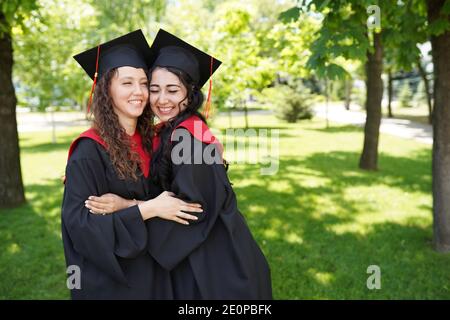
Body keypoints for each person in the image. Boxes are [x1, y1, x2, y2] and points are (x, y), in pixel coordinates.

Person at [87, 29, 272, 299]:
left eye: (173, 90)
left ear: (190, 93)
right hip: (197, 262)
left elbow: (188, 212)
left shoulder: (191, 139)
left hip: (218, 271)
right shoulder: (169, 132)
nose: (162, 100)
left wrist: (127, 207)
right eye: (154, 89)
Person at [61, 29, 203, 300]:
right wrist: (148, 209)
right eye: (127, 83)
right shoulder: (89, 151)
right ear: (106, 90)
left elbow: (182, 203)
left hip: (158, 271)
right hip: (115, 282)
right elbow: (81, 228)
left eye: (143, 82)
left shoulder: (156, 142)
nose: (139, 92)